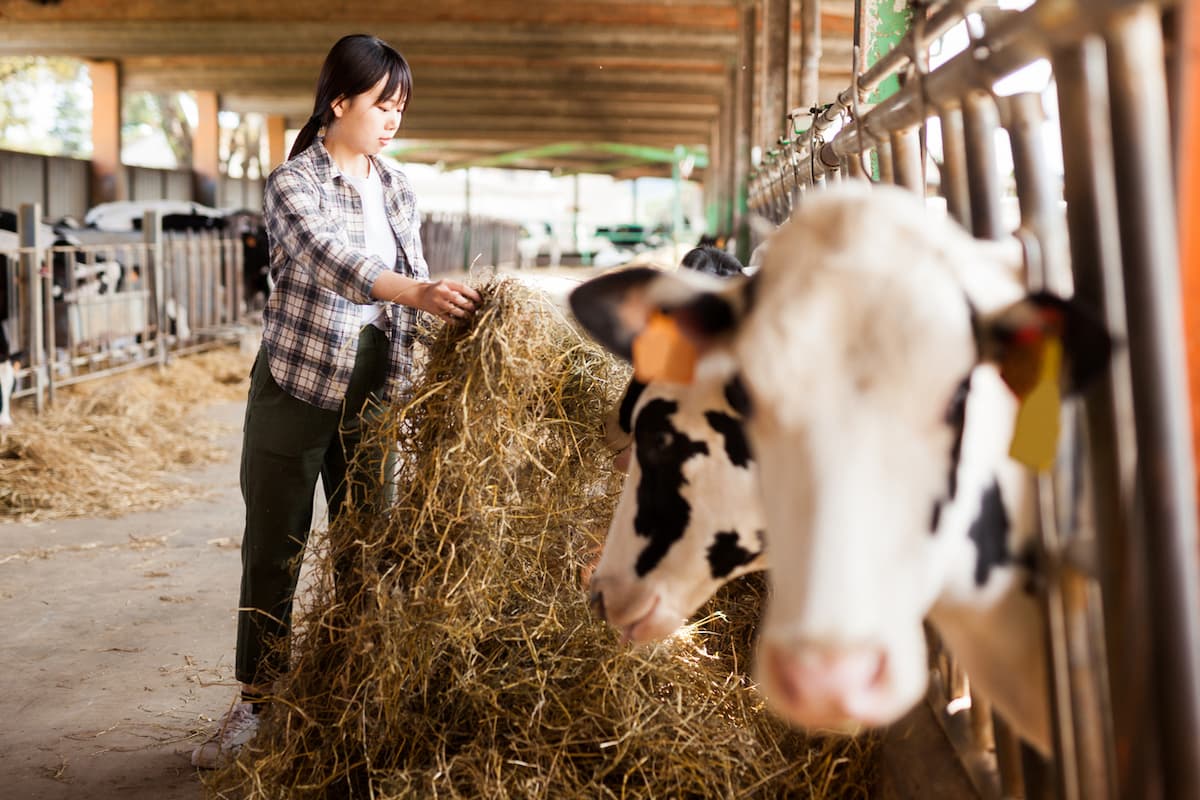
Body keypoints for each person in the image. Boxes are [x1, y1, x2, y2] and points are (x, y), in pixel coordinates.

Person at [191, 33, 481, 769]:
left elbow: (411, 286)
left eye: (402, 108)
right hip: (298, 380)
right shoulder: (294, 182)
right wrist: (414, 288)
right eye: (383, 104)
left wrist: (446, 320)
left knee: (369, 543)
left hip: (377, 381)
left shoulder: (398, 185)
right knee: (276, 544)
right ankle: (258, 701)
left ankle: (349, 691)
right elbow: (329, 260)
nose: (393, 119)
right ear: (340, 101)